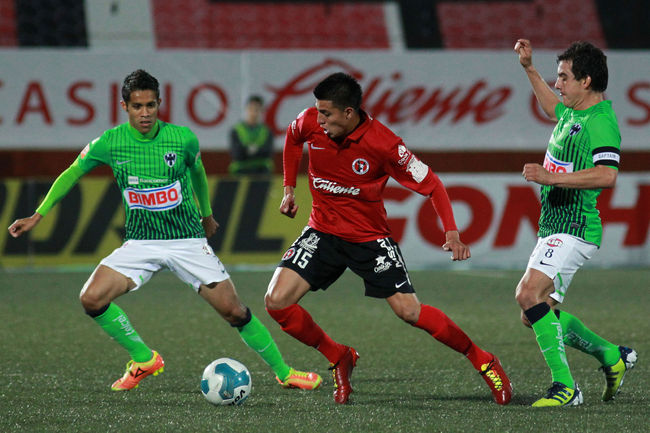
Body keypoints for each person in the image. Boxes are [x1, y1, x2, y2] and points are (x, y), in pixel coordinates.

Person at [7, 69, 321, 392]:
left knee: (235, 312)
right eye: (137, 106)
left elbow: (197, 172)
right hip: (140, 243)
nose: (145, 113)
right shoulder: (110, 143)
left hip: (187, 241)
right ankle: (144, 359)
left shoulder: (182, 138)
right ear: (124, 107)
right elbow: (72, 172)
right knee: (91, 298)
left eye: (151, 105)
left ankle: (285, 372)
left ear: (159, 103)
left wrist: (207, 214)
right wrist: (38, 215)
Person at [263, 72, 512, 405]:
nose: (318, 120)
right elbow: (293, 138)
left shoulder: (384, 144)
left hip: (369, 239)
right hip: (322, 232)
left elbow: (433, 184)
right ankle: (339, 356)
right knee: (276, 301)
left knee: (409, 311)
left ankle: (484, 360)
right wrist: (289, 189)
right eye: (317, 111)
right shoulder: (309, 121)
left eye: (326, 114)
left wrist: (452, 233)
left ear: (348, 112)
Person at [513, 39, 637, 407]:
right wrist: (529, 68)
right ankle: (610, 355)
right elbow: (551, 106)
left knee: (527, 294)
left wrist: (550, 178)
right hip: (554, 226)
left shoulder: (600, 122)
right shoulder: (572, 113)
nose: (558, 84)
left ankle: (566, 388)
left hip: (575, 227)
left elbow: (607, 175)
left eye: (564, 77)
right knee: (535, 313)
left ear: (586, 81)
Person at [228, 95, 274, 175]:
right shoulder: (236, 130)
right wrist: (258, 151)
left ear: (262, 111)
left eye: (257, 110)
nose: (254, 113)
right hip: (241, 170)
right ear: (246, 109)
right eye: (251, 109)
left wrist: (247, 150)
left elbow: (268, 153)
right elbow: (237, 154)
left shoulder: (267, 131)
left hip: (262, 170)